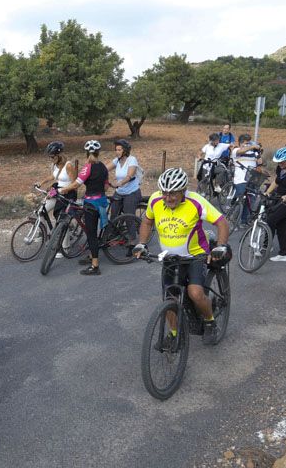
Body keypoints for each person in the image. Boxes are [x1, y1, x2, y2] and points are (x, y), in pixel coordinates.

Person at [133, 168, 231, 344]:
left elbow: (221, 222)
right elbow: (147, 221)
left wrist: (220, 246)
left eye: (173, 194)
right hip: (170, 258)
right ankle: (174, 333)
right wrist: (142, 243)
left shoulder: (196, 202)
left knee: (195, 293)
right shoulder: (155, 200)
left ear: (183, 190)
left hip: (195, 256)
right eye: (165, 193)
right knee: (169, 297)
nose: (168, 198)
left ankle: (210, 321)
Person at [60, 140, 109, 275]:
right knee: (94, 231)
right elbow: (106, 186)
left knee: (91, 234)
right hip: (102, 201)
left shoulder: (88, 167)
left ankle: (95, 266)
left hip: (91, 204)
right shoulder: (104, 167)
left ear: (87, 153)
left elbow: (76, 184)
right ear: (98, 153)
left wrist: (63, 190)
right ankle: (92, 255)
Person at [108, 138, 142, 241]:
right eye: (116, 150)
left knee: (129, 218)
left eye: (119, 150)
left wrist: (119, 183)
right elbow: (104, 169)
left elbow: (129, 176)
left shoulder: (132, 160)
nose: (117, 152)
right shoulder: (116, 161)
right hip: (120, 192)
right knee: (113, 215)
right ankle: (113, 235)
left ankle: (133, 242)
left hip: (131, 192)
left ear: (125, 150)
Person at [38, 140, 77, 219]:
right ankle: (43, 230)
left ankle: (67, 228)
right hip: (57, 190)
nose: (50, 159)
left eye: (52, 157)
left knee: (59, 215)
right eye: (49, 157)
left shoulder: (68, 166)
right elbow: (53, 176)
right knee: (41, 211)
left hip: (68, 193)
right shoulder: (55, 165)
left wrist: (63, 190)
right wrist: (41, 183)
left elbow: (74, 184)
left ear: (59, 155)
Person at [229, 134, 263, 227]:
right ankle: (233, 219)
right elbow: (241, 150)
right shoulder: (236, 150)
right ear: (240, 143)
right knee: (241, 199)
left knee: (250, 200)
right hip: (240, 180)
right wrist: (252, 146)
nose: (248, 145)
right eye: (246, 143)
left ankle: (244, 221)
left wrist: (259, 155)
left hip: (252, 180)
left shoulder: (254, 153)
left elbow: (259, 164)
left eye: (249, 143)